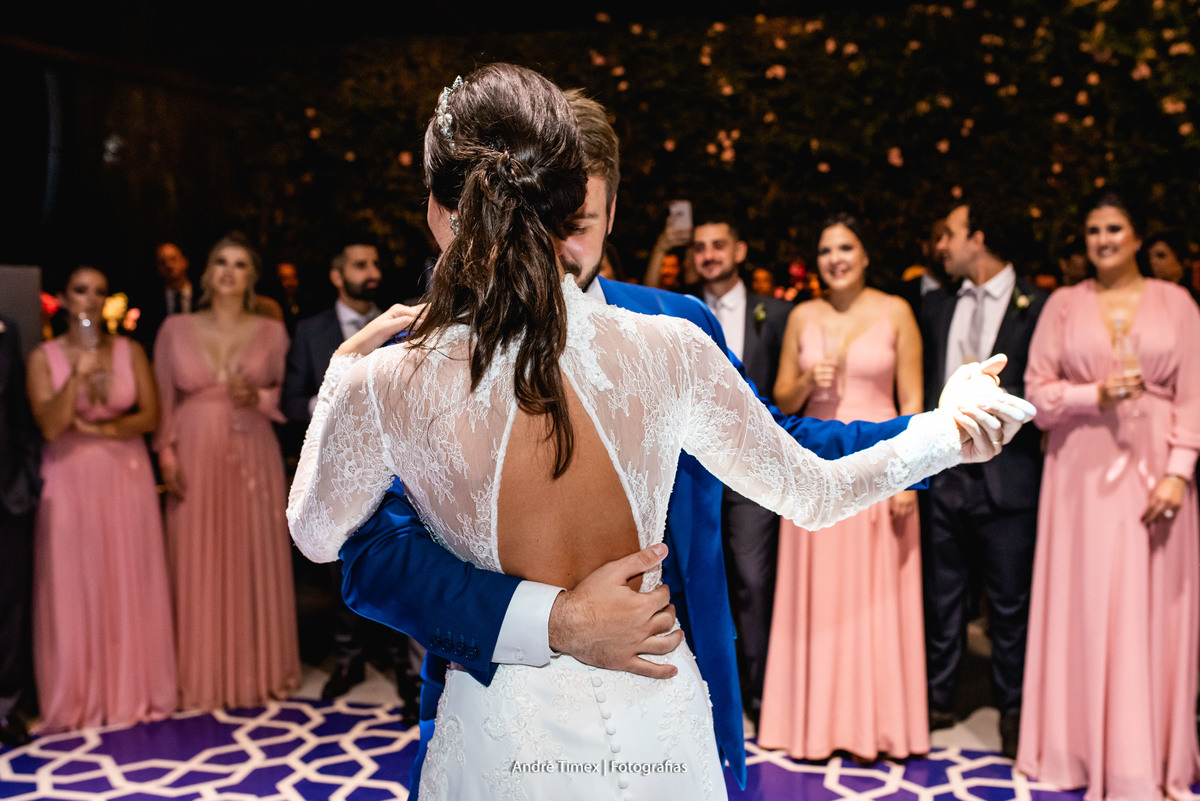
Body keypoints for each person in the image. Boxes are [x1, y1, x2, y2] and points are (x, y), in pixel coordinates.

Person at [287, 63, 1030, 800]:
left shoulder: (381, 381)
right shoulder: (666, 351)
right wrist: (947, 431)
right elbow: (812, 488)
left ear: (440, 210)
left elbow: (316, 534)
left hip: (507, 742)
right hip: (650, 723)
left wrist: (336, 383)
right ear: (562, 204)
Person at [1018, 190, 1200, 801]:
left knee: (1150, 609)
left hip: (1156, 473)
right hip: (1079, 475)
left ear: (1138, 236)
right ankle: (1073, 752)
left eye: (1115, 229)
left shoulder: (1177, 303)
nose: (1103, 240)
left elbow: (1197, 394)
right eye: (1094, 230)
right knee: (1085, 604)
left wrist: (1180, 469)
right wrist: (1089, 396)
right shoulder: (1064, 305)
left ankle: (1142, 761)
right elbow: (1036, 394)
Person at [760, 214, 927, 760]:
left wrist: (911, 479)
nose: (836, 258)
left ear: (865, 255)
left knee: (874, 597)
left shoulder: (897, 311)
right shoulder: (802, 315)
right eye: (827, 249)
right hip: (817, 470)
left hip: (882, 470)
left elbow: (915, 408)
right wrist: (810, 381)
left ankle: (877, 727)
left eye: (846, 247)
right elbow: (780, 402)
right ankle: (814, 725)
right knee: (822, 598)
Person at [920, 199, 1048, 758]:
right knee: (941, 597)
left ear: (978, 237)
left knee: (1009, 604)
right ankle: (938, 698)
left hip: (1008, 480)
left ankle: (1015, 711)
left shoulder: (1038, 306)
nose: (941, 245)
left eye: (949, 234)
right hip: (946, 476)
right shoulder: (937, 307)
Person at [25, 267, 177, 731]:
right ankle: (78, 698)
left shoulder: (130, 351)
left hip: (127, 475)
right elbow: (50, 425)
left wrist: (100, 428)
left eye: (98, 292)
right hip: (68, 479)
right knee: (74, 581)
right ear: (65, 300)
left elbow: (150, 416)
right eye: (80, 291)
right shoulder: (43, 357)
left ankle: (135, 690)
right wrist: (75, 376)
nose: (89, 300)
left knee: (130, 576)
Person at [154, 233, 301, 711]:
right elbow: (162, 401)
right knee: (196, 556)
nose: (228, 270)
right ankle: (199, 674)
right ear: (207, 271)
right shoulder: (174, 329)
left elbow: (289, 396)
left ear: (251, 279)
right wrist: (167, 456)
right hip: (193, 456)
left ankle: (255, 671)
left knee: (250, 554)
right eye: (220, 260)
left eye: (239, 264)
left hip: (252, 455)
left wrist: (256, 398)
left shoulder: (272, 333)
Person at [282, 238, 420, 716]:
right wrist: (338, 403)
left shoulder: (401, 323)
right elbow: (289, 401)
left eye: (376, 262)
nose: (372, 271)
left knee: (399, 561)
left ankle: (407, 669)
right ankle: (348, 660)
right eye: (360, 264)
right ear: (337, 276)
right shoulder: (310, 330)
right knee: (341, 561)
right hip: (334, 467)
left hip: (396, 472)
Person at [689, 214, 795, 723]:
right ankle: (706, 696)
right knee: (700, 582)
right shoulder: (677, 313)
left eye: (718, 245)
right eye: (700, 247)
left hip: (754, 468)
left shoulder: (775, 314)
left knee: (754, 581)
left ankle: (759, 695)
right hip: (692, 473)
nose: (709, 254)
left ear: (739, 251)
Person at [0, 314, 40, 746]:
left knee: (8, 604)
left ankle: (5, 706)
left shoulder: (5, 331)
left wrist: (24, 481)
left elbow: (17, 413)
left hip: (5, 494)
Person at [135, 242, 194, 349]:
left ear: (184, 261)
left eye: (173, 259)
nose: (168, 265)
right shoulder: (151, 303)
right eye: (163, 262)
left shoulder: (204, 298)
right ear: (158, 268)